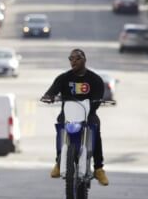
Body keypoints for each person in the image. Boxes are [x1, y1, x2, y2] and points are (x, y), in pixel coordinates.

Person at [40, 49, 108, 186]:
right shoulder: (63, 78)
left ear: (84, 60)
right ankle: (59, 162)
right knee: (60, 127)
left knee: (96, 129)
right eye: (71, 59)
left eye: (77, 58)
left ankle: (99, 168)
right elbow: (51, 91)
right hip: (68, 114)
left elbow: (98, 98)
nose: (73, 61)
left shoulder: (95, 79)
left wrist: (95, 104)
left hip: (88, 114)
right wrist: (48, 97)